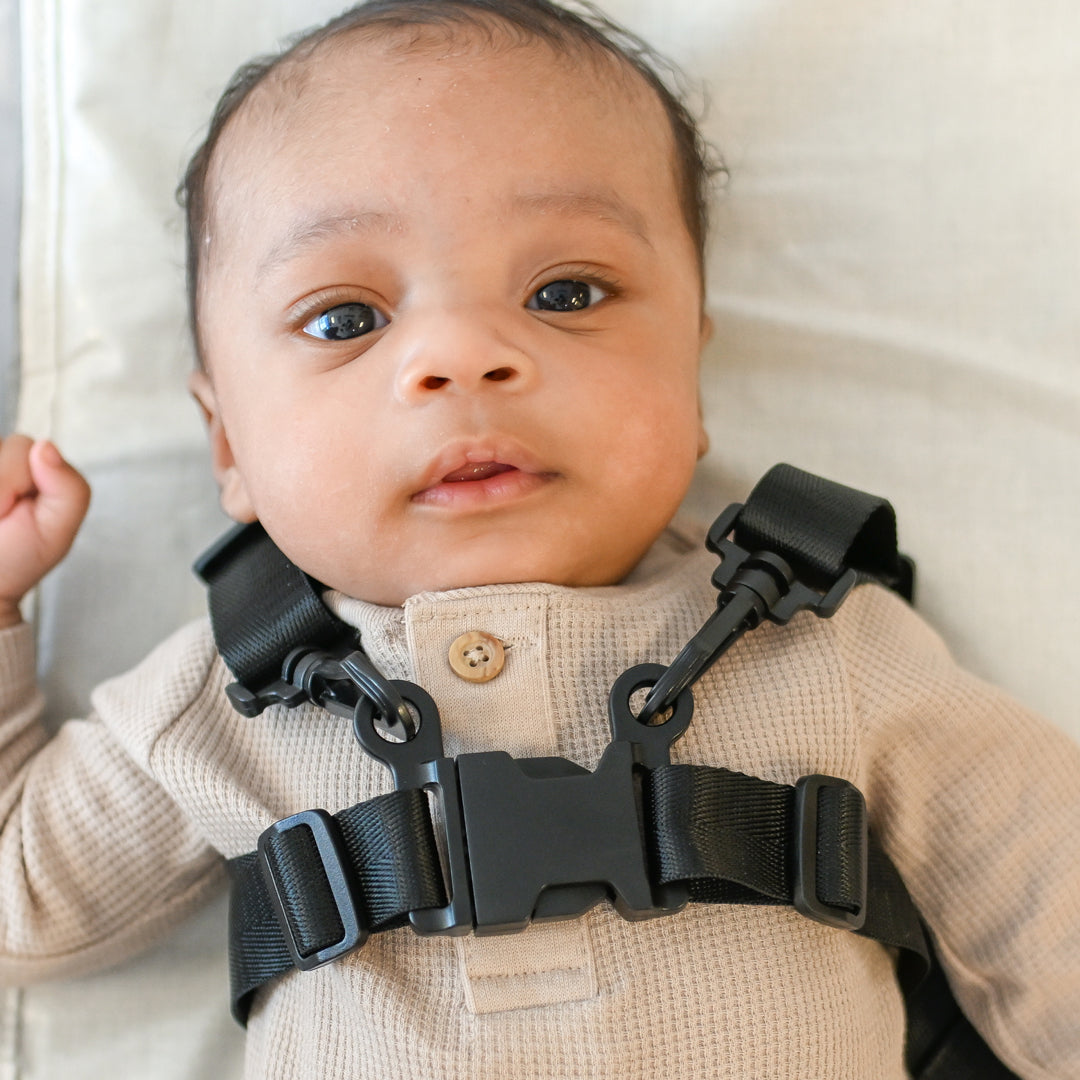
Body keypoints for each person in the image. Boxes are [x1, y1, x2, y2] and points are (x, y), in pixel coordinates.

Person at [1, 1, 1077, 1077]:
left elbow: (1049, 902)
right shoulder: (232, 692)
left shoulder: (821, 644)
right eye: (345, 319)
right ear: (227, 442)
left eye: (566, 292)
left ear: (689, 374)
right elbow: (23, 909)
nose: (464, 355)